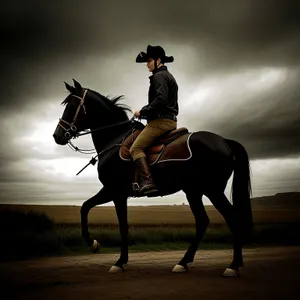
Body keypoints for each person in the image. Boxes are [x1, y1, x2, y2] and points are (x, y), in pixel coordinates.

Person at [129, 45, 179, 195]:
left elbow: (161, 100)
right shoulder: (169, 76)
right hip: (170, 121)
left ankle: (148, 181)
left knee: (135, 148)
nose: (147, 64)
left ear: (158, 60)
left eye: (149, 60)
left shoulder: (159, 76)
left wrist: (142, 111)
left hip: (160, 123)